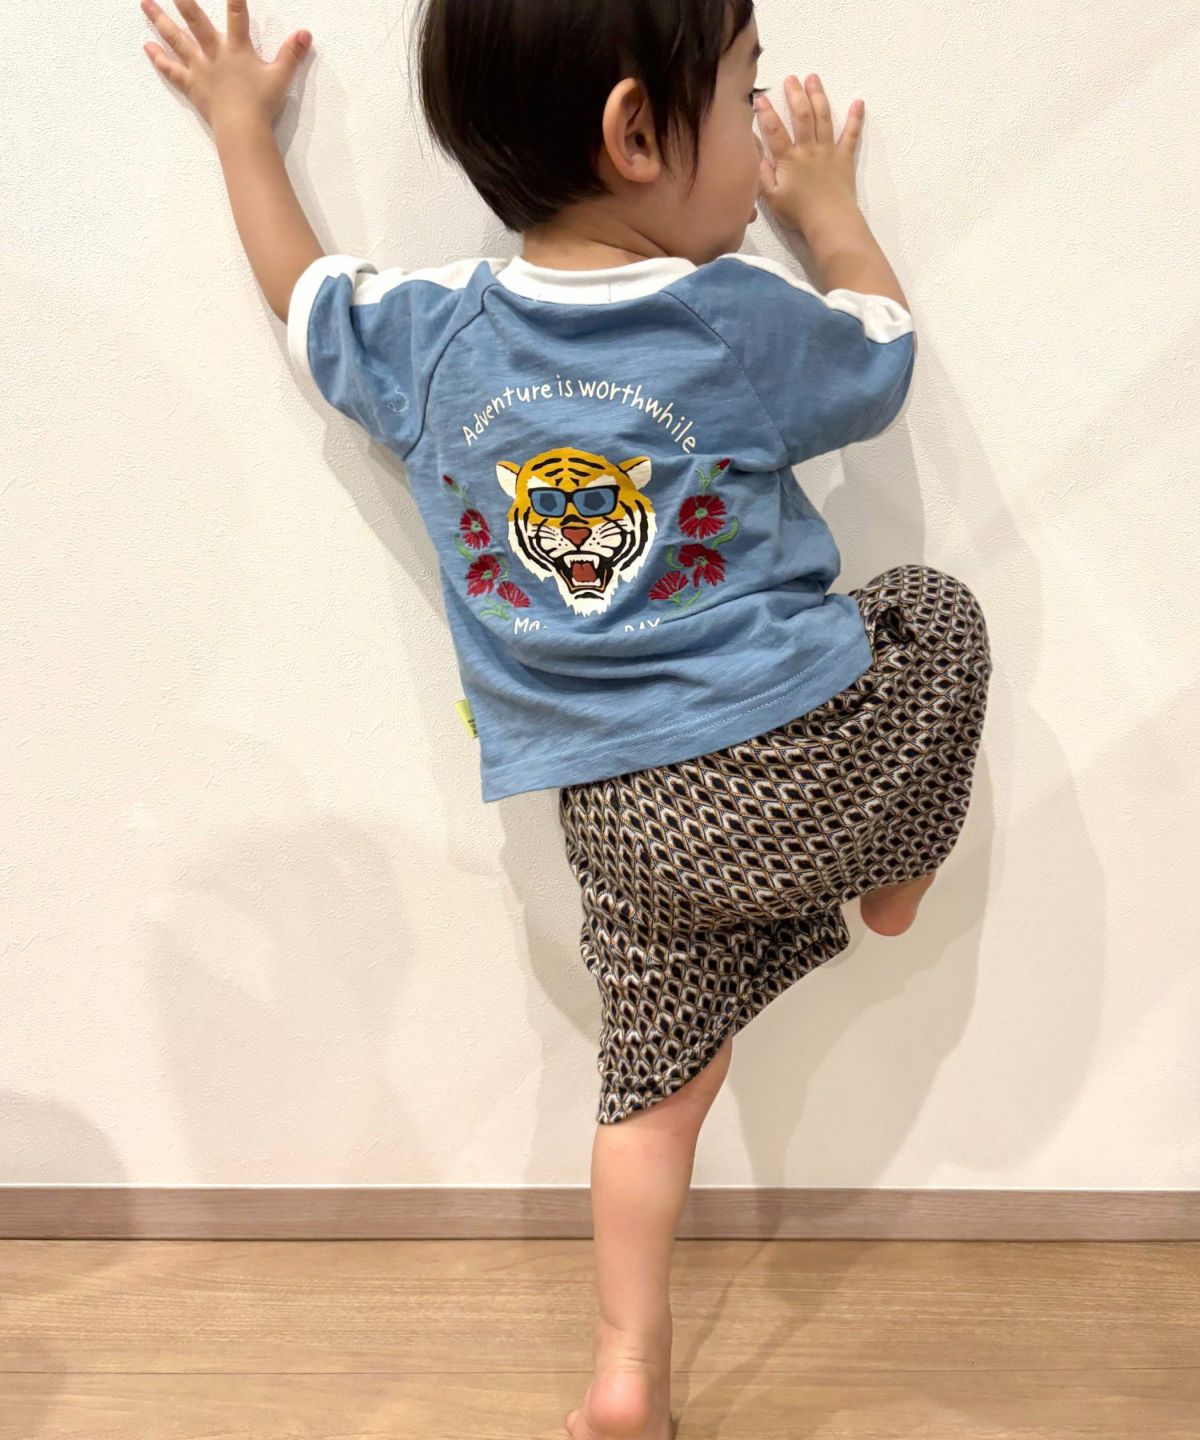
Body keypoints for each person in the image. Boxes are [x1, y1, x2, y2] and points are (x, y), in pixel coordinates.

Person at [139, 2, 994, 1436]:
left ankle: (624, 1372)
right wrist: (829, 212)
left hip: (620, 819)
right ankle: (895, 873)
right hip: (802, 765)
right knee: (936, 610)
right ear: (638, 134)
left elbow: (304, 298)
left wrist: (241, 130)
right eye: (745, 101)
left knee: (653, 1091)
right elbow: (881, 354)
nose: (759, 133)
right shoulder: (732, 318)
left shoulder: (431, 341)